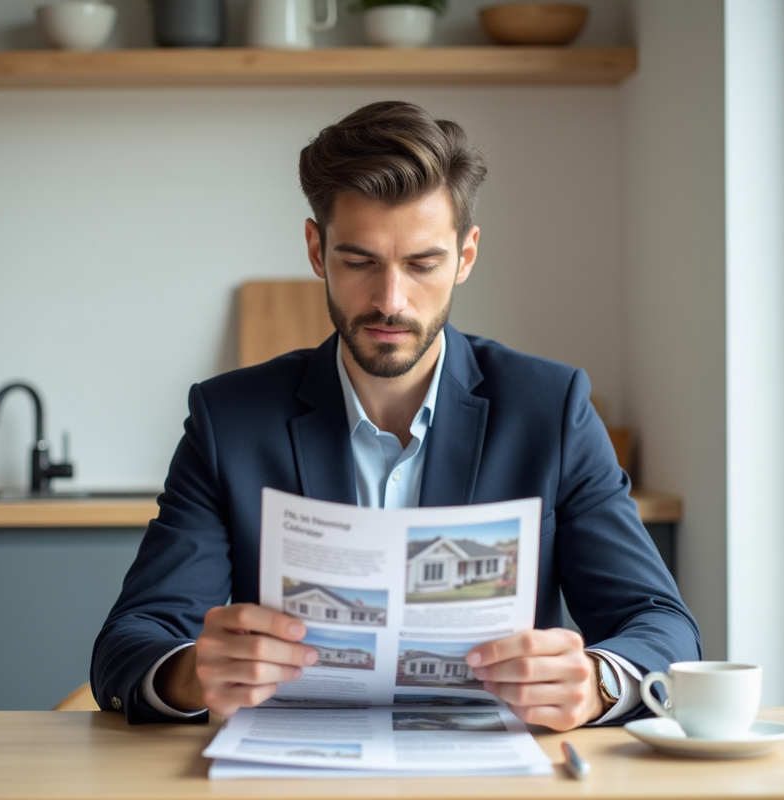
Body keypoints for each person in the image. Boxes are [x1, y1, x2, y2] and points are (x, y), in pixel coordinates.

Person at [91, 100, 701, 731]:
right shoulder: (230, 420)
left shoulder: (552, 409)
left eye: (422, 264)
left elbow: (663, 625)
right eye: (359, 262)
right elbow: (128, 642)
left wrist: (597, 683)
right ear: (316, 250)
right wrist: (191, 672)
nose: (389, 300)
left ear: (465, 257)